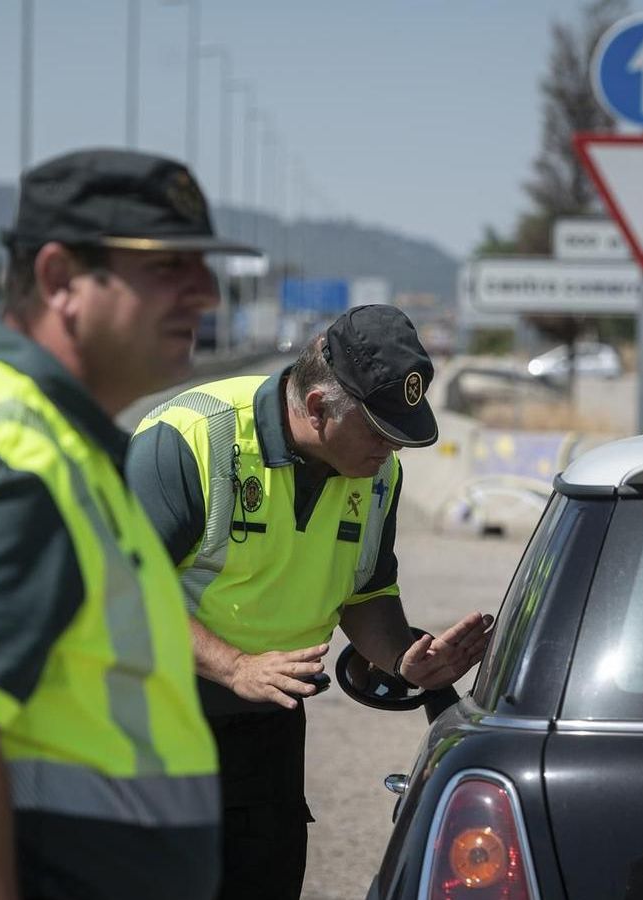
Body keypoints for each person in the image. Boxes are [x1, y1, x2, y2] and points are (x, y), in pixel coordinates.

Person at [0, 148, 260, 900]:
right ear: (60, 280)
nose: (206, 294)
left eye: (202, 266)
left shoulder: (57, 438)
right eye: (167, 266)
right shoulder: (14, 455)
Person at [126, 304, 494, 899]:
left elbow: (366, 591)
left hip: (267, 728)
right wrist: (235, 666)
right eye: (379, 432)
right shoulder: (192, 440)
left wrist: (405, 659)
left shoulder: (376, 474)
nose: (390, 452)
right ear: (318, 407)